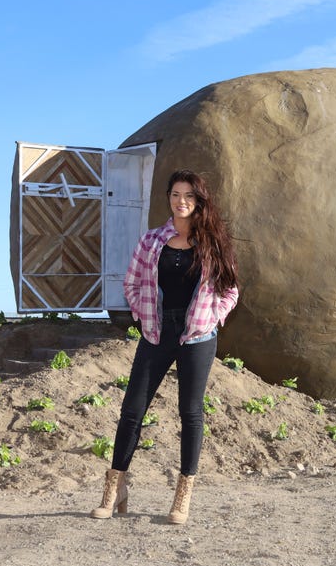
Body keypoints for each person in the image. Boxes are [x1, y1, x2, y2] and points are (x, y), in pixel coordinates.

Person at [91, 169, 239, 524]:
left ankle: (182, 495)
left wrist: (212, 317)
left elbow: (230, 290)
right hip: (157, 332)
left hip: (197, 337)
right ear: (168, 198)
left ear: (198, 201)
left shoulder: (213, 243)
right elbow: (132, 282)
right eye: (175, 194)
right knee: (132, 410)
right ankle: (115, 488)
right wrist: (143, 316)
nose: (181, 201)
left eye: (188, 195)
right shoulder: (151, 241)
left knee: (190, 413)